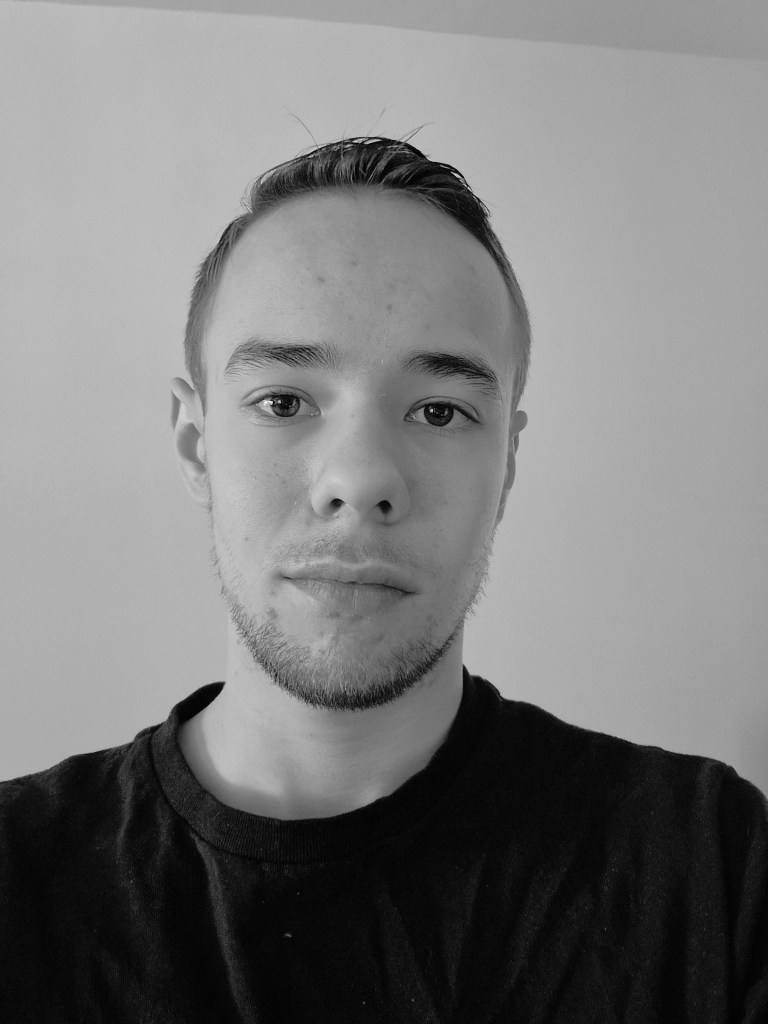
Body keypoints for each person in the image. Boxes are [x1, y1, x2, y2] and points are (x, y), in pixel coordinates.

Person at [1, 135, 766, 1023]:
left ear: (507, 465)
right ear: (195, 441)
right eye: (284, 401)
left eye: (440, 410)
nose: (359, 480)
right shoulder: (18, 878)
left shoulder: (712, 867)